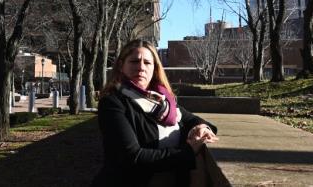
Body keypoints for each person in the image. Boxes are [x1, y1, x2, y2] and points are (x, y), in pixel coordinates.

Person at [92, 39, 218, 187]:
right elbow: (133, 157)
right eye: (134, 61)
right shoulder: (113, 102)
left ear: (155, 68)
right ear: (121, 66)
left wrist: (202, 128)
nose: (141, 67)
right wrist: (188, 152)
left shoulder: (163, 101)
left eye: (147, 62)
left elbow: (192, 119)